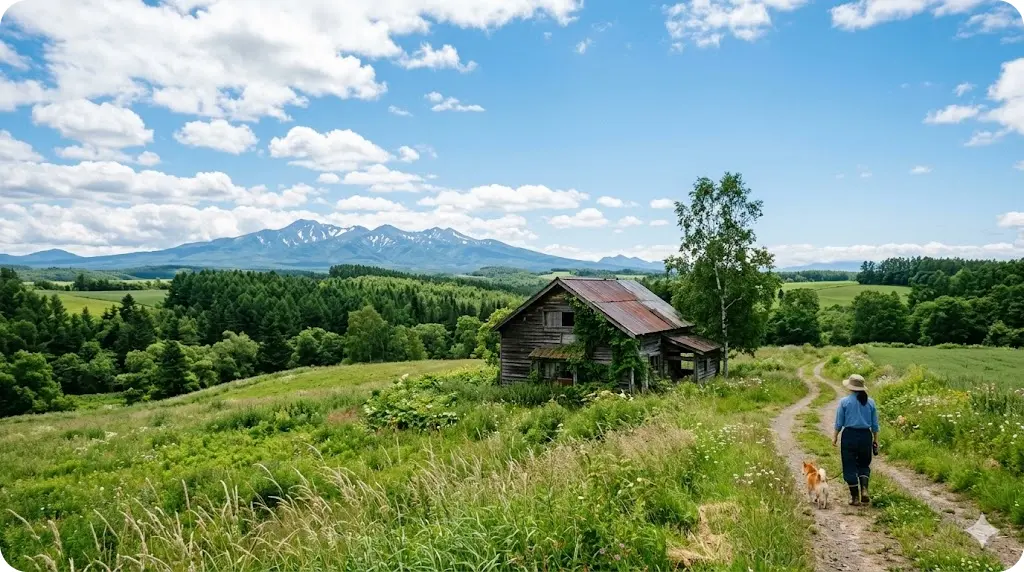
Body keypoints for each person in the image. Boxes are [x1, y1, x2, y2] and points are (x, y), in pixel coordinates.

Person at [832, 374, 879, 506]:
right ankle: (864, 489)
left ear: (850, 387)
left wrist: (835, 436)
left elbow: (839, 422)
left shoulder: (844, 402)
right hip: (866, 436)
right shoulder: (871, 402)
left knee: (849, 465)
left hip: (849, 436)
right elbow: (875, 425)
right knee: (864, 464)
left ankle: (855, 498)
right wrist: (875, 440)